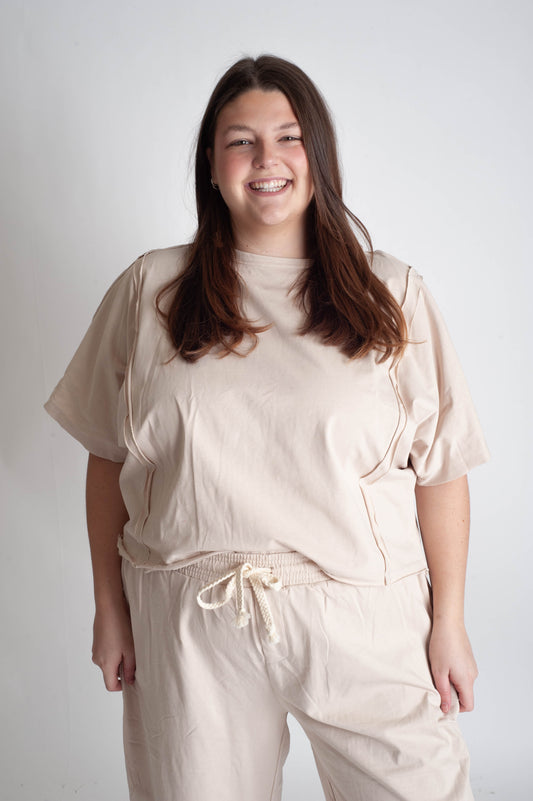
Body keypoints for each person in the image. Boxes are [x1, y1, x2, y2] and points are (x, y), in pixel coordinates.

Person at [44, 54, 490, 801]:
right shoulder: (150, 291)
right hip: (192, 617)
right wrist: (109, 607)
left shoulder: (392, 294)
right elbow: (106, 455)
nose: (266, 160)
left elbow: (441, 469)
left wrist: (448, 622)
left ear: (317, 153)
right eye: (240, 140)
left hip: (362, 613)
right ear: (211, 164)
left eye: (287, 137)